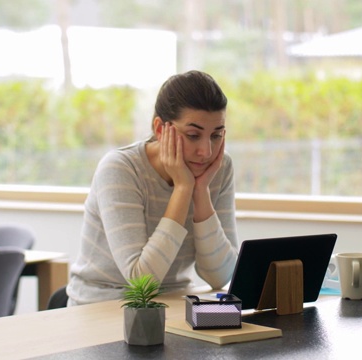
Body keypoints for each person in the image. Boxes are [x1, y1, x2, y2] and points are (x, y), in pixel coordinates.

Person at [66, 70, 238, 306]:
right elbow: (141, 284)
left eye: (216, 136)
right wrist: (183, 188)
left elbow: (220, 277)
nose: (206, 152)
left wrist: (201, 193)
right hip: (104, 305)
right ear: (159, 129)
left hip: (175, 304)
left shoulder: (219, 168)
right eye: (193, 135)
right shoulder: (121, 169)